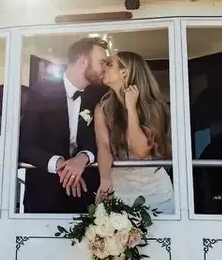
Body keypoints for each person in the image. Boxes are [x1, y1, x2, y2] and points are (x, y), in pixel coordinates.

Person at [19, 37, 109, 213]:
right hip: (44, 195)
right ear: (84, 62)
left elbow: (103, 138)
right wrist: (60, 164)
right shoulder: (40, 92)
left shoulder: (100, 94)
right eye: (101, 63)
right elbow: (24, 144)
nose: (104, 69)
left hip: (86, 194)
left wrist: (84, 157)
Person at [95, 51, 175, 214]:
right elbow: (103, 146)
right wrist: (104, 181)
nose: (104, 68)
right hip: (118, 187)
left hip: (154, 190)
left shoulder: (154, 106)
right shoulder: (103, 107)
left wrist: (131, 107)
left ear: (124, 72)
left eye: (110, 64)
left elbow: (140, 152)